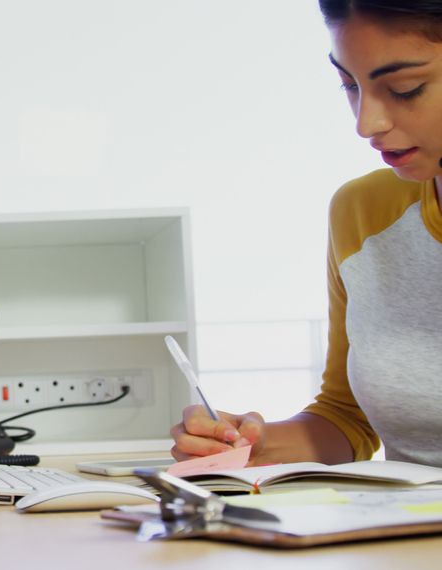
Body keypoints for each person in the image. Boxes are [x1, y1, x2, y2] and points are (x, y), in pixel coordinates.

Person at [171, 0, 442, 468]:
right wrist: (248, 445)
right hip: (405, 535)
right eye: (350, 85)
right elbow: (347, 418)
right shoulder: (364, 213)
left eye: (405, 89)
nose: (366, 124)